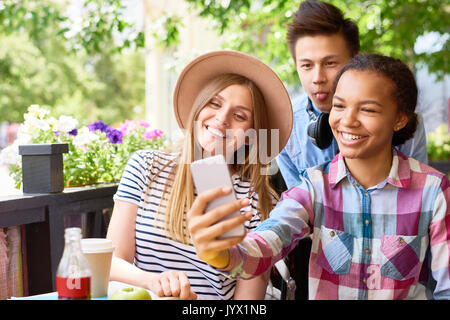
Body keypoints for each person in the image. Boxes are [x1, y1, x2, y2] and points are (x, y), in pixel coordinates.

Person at [187, 54, 450, 300]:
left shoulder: (434, 190)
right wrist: (221, 253)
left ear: (399, 119)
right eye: (339, 106)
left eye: (367, 110)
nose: (347, 121)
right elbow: (268, 241)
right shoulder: (313, 186)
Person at [106, 50, 293, 300]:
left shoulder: (254, 200)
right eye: (214, 103)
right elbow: (111, 262)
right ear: (198, 105)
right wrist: (154, 281)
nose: (222, 118)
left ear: (252, 133)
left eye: (239, 115)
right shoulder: (145, 166)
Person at [277, 0, 428, 190]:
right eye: (306, 65)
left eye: (330, 63)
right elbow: (298, 207)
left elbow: (419, 193)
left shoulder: (399, 115)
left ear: (356, 60)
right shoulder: (284, 125)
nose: (317, 78)